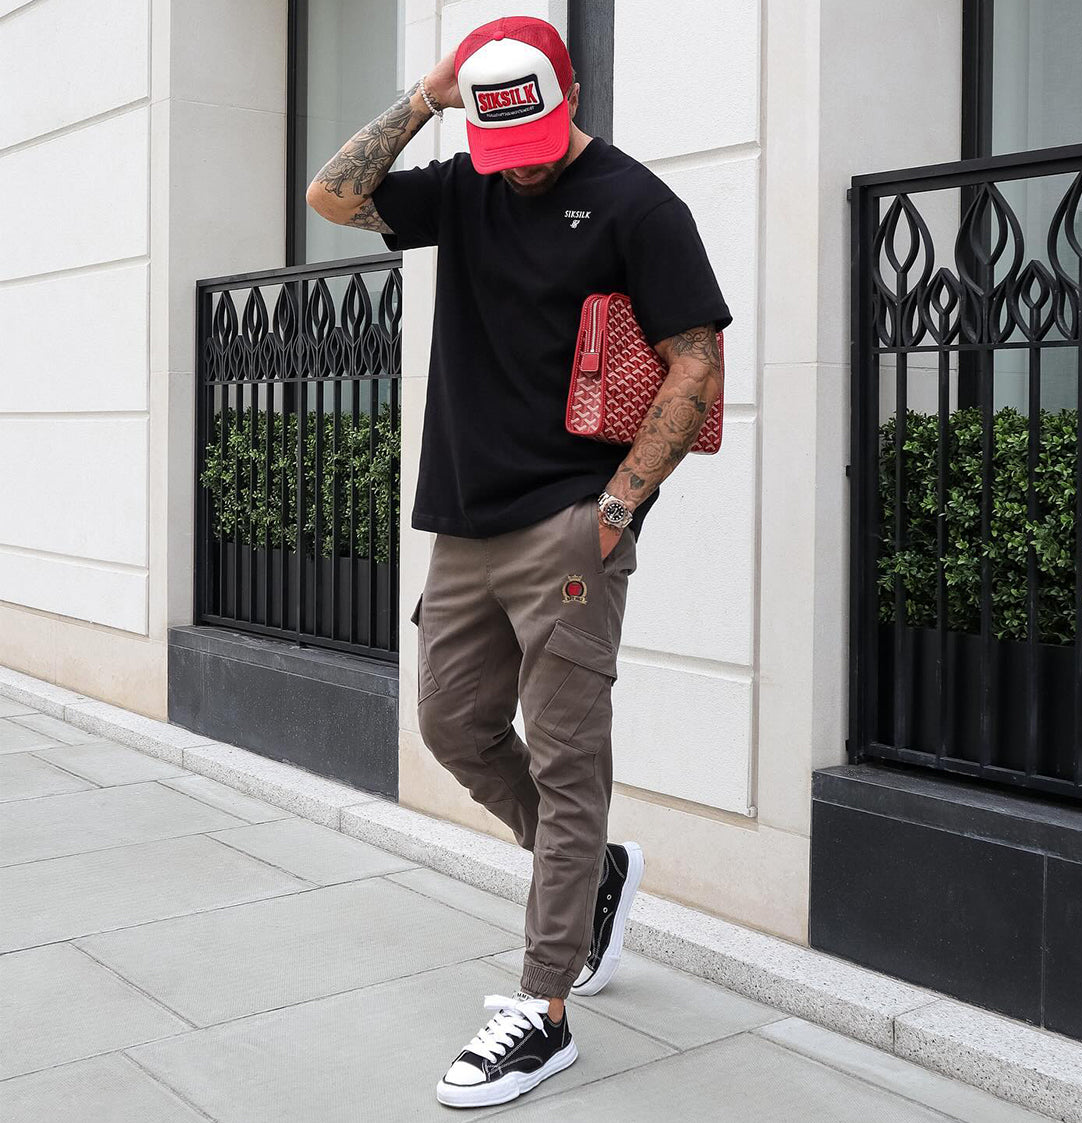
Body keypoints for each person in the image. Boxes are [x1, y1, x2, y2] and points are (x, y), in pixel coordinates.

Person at [306, 13, 731, 1109]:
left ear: (571, 94)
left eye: (538, 136)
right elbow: (333, 198)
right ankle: (586, 874)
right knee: (451, 721)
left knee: (566, 751)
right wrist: (424, 97)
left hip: (570, 525)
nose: (525, 162)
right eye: (505, 143)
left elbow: (695, 359)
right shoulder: (469, 183)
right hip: (463, 518)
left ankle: (542, 1012)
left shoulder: (640, 204)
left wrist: (619, 505)